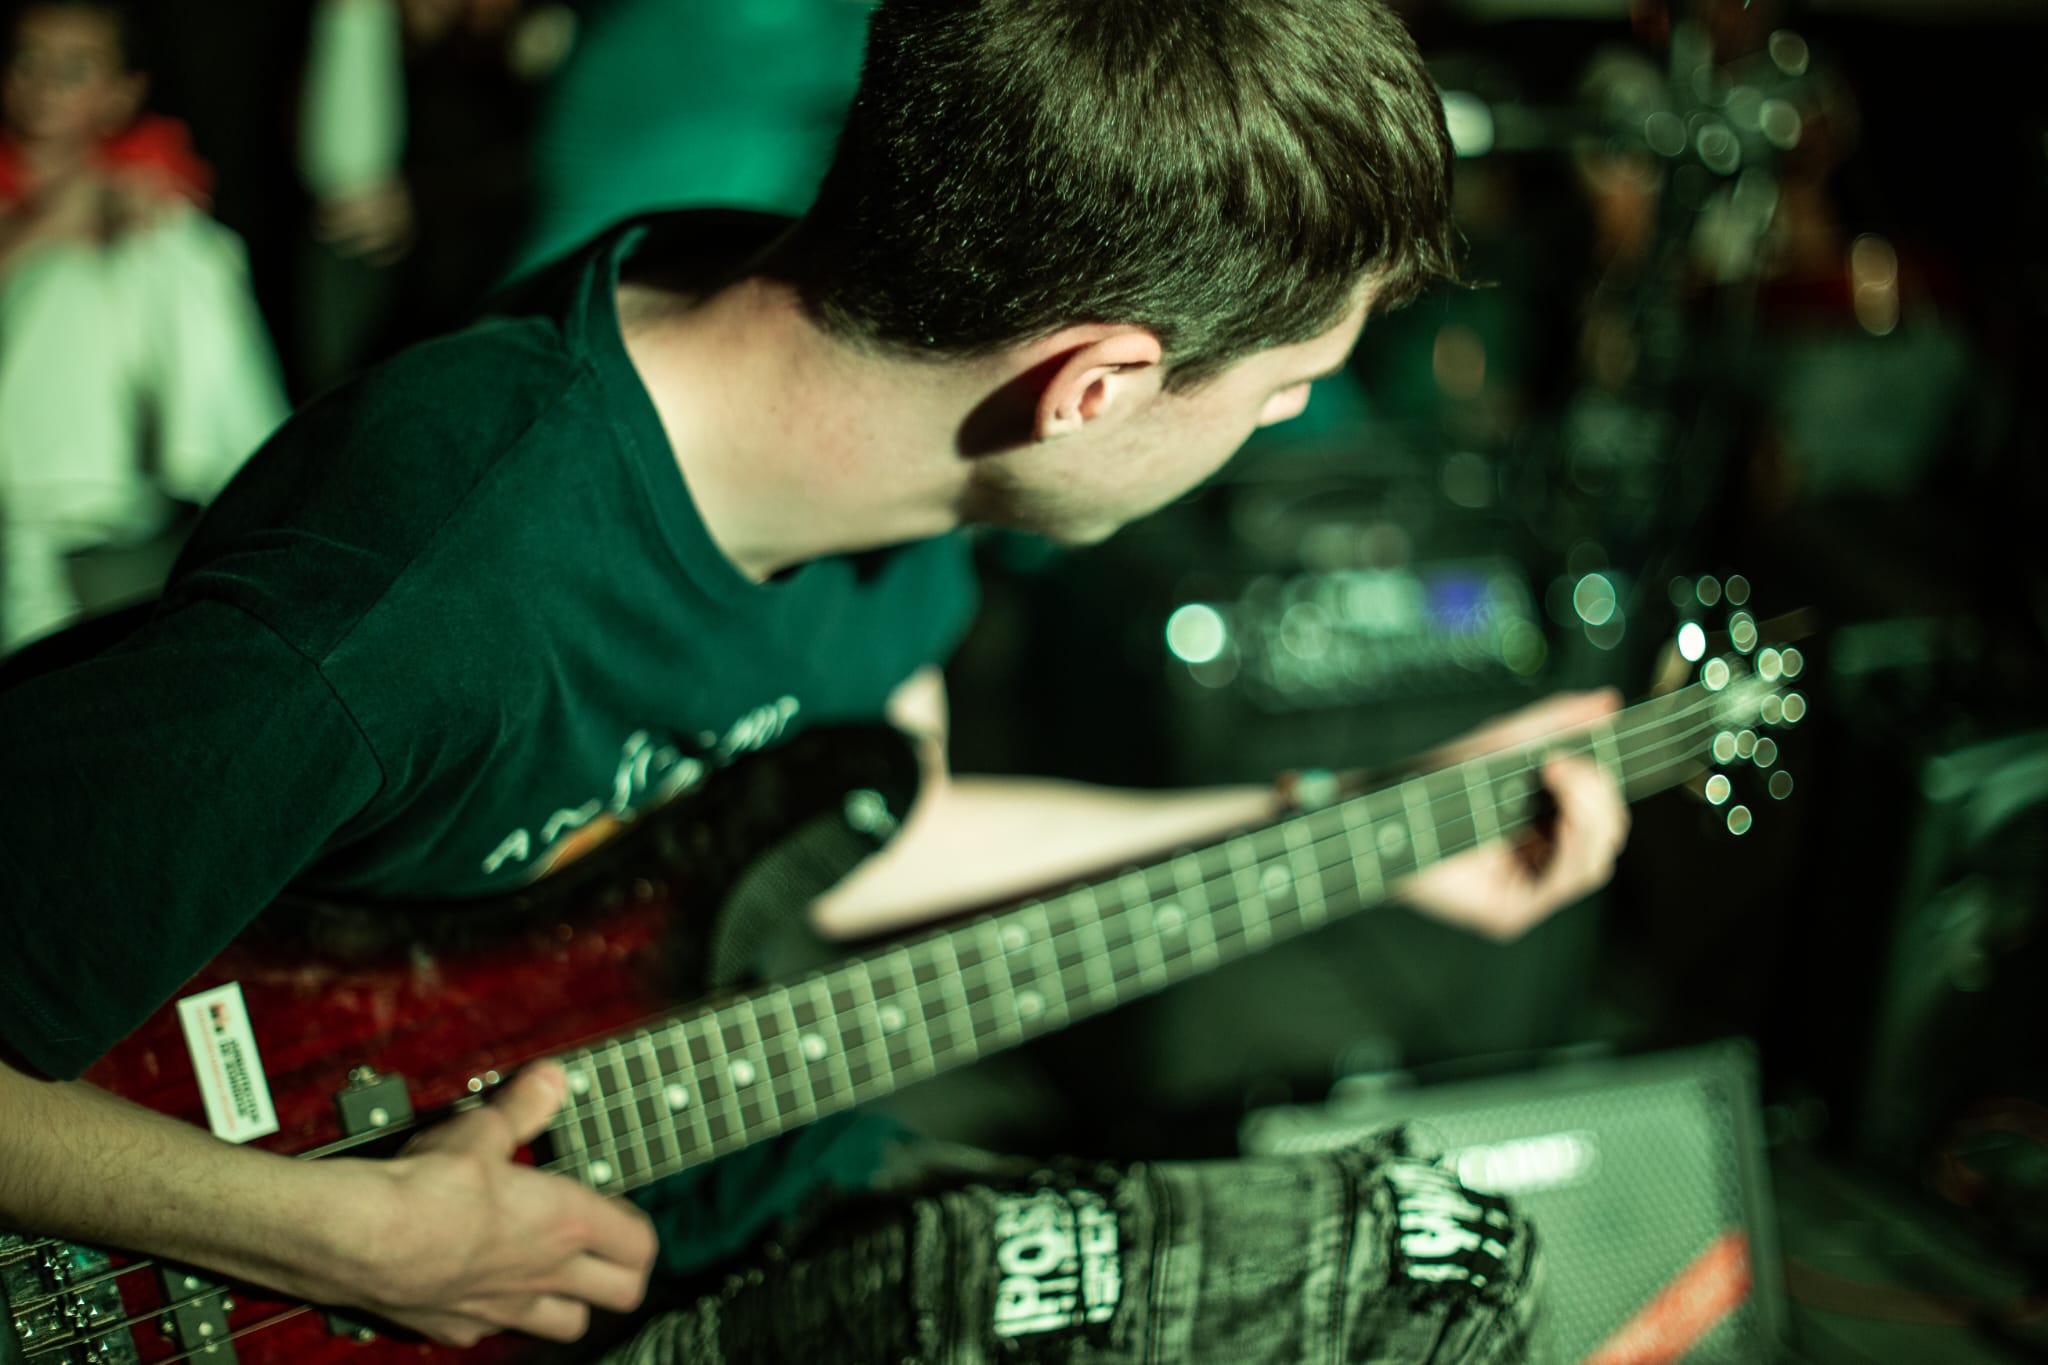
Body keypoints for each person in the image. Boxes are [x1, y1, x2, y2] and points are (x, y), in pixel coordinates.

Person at [0, 0, 1631, 1359]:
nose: (1277, 429)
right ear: (1093, 385)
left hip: (633, 1166)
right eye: (1281, 390)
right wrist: (348, 1238)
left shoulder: (899, 451)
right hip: (274, 1251)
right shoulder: (420, 593)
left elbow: (871, 826)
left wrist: (1342, 822)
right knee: (1410, 1274)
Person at [0, 0, 288, 650]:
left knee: (180, 243)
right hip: (30, 452)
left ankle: (248, 474)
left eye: (73, 71)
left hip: (125, 439)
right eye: (26, 64)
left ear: (121, 92)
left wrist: (114, 199)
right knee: (59, 278)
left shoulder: (144, 161)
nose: (44, 89)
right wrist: (64, 211)